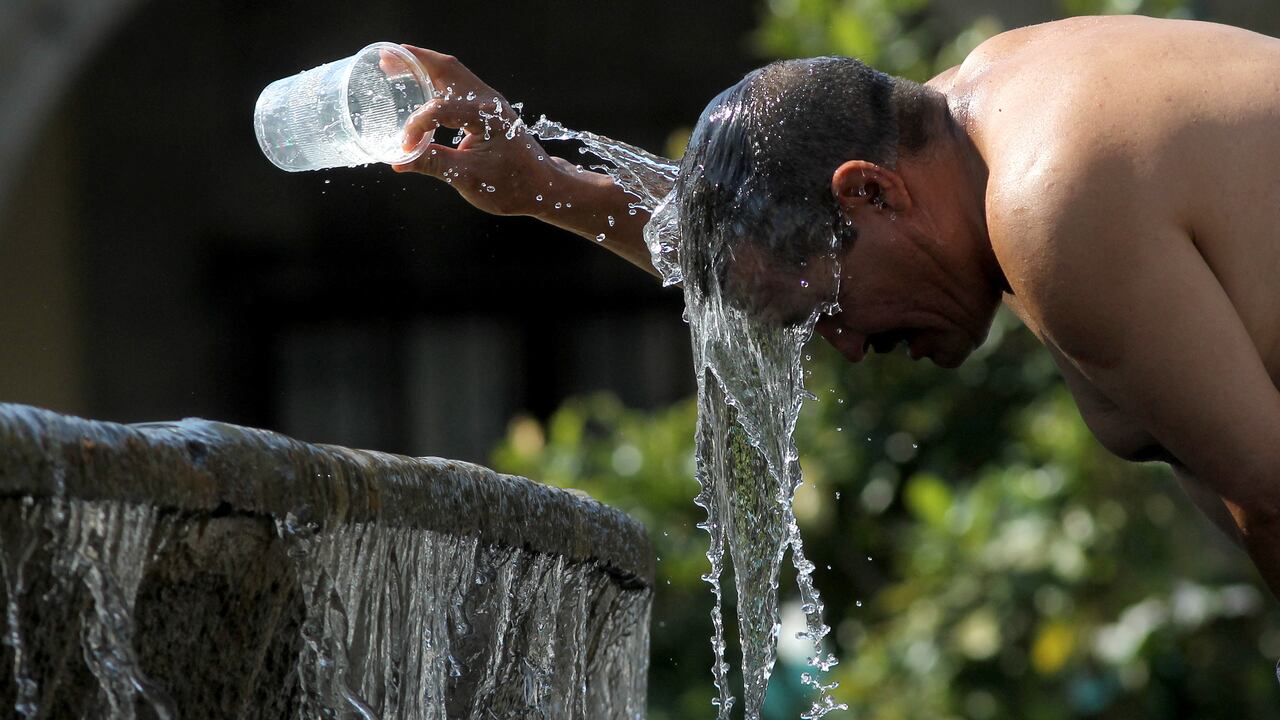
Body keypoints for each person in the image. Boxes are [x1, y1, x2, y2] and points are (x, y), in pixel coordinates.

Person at [391, 15, 1280, 599]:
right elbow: (760, 240)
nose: (847, 347)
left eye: (827, 313)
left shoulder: (1051, 206)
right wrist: (541, 184)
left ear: (872, 195)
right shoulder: (970, 118)